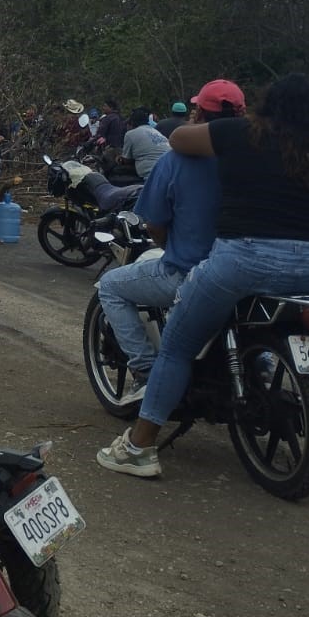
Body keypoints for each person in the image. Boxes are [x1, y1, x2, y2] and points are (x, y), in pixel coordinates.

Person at [97, 72, 309, 479]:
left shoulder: (242, 134)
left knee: (177, 346)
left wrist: (207, 124)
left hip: (242, 260)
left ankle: (138, 447)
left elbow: (177, 140)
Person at [96, 81, 236, 405]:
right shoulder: (253, 161)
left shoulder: (176, 158)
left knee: (110, 287)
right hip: (246, 272)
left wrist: (170, 238)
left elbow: (155, 225)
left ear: (198, 113)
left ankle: (145, 372)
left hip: (187, 271)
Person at [119, 107, 171, 179]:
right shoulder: (155, 131)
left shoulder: (130, 134)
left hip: (151, 174)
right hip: (170, 170)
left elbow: (126, 160)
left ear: (131, 123)